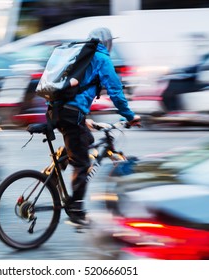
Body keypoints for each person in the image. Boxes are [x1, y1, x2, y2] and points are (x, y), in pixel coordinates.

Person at [46, 27, 141, 226]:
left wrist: (84, 117)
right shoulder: (102, 60)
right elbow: (115, 92)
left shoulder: (79, 55)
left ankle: (53, 174)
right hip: (71, 115)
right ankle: (76, 209)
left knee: (86, 140)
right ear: (107, 43)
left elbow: (74, 91)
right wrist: (130, 117)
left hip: (57, 111)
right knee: (82, 163)